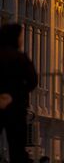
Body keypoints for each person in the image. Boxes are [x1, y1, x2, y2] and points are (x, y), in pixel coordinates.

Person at [0, 23, 38, 163]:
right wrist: (13, 95)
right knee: (17, 147)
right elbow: (33, 81)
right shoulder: (20, 58)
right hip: (16, 107)